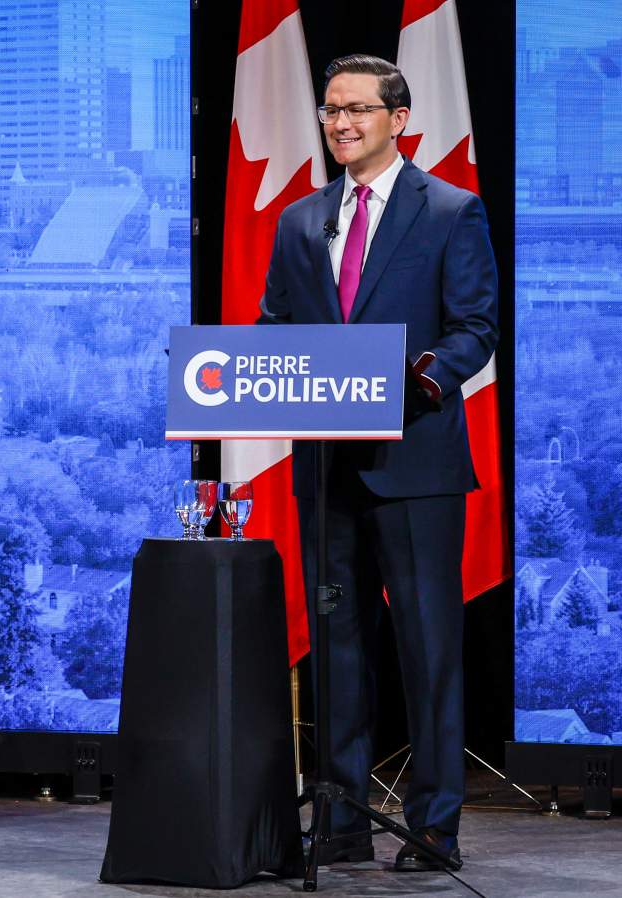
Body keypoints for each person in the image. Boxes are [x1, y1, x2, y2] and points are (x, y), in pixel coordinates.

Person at [257, 55, 498, 871]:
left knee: (427, 647)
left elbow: (474, 327)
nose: (340, 124)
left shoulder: (451, 210)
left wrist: (420, 380)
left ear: (399, 118)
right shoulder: (299, 220)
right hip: (326, 469)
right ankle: (344, 818)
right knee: (338, 647)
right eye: (329, 111)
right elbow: (276, 325)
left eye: (357, 109)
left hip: (417, 463)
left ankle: (435, 825)